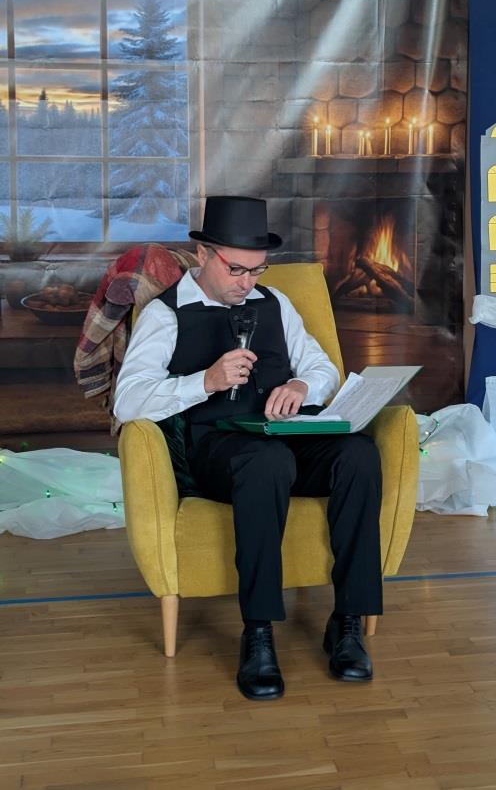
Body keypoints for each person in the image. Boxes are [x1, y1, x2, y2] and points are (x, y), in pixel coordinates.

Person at [114, 196, 383, 701]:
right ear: (203, 255)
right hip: (217, 453)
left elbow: (323, 368)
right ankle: (258, 634)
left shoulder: (275, 303)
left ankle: (347, 622)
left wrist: (302, 386)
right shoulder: (165, 315)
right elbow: (127, 401)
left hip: (285, 440)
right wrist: (205, 382)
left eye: (257, 270)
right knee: (265, 462)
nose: (247, 282)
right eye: (236, 269)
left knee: (359, 455)